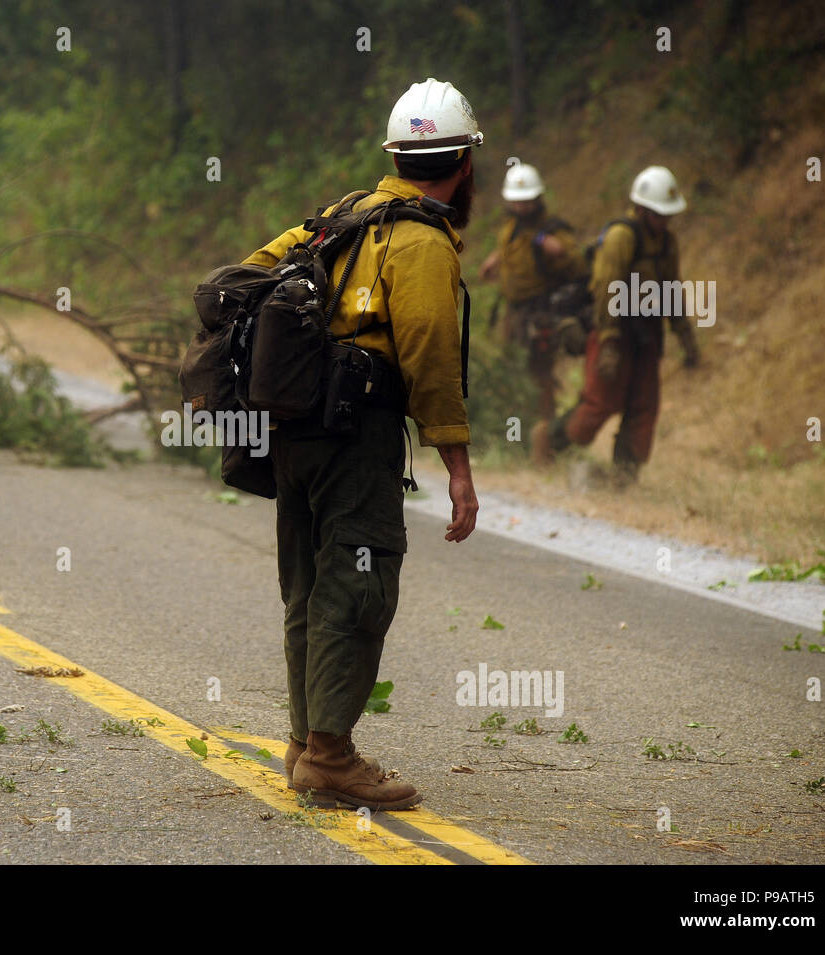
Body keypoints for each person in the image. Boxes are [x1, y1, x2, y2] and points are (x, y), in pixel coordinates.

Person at [240, 78, 481, 811]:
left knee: (309, 583)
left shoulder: (340, 218)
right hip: (358, 435)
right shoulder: (420, 242)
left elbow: (248, 276)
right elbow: (431, 356)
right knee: (359, 582)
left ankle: (306, 740)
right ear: (464, 163)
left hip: (292, 430)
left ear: (396, 156)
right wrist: (459, 467)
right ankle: (331, 755)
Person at [535, 165, 700, 482]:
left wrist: (686, 337)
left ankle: (623, 477)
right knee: (599, 404)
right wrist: (608, 341)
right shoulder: (621, 237)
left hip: (647, 335)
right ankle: (549, 445)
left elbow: (672, 290)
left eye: (668, 215)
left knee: (644, 406)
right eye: (658, 214)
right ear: (641, 209)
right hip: (614, 329)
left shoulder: (667, 242)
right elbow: (606, 289)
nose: (664, 221)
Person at [478, 163, 586, 433]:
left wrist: (559, 252)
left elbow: (578, 265)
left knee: (540, 375)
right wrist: (494, 261)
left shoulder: (552, 229)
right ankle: (515, 432)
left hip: (540, 314)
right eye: (517, 201)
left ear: (537, 199)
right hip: (513, 315)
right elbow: (509, 249)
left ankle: (544, 436)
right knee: (513, 372)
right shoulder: (511, 226)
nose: (522, 207)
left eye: (527, 201)